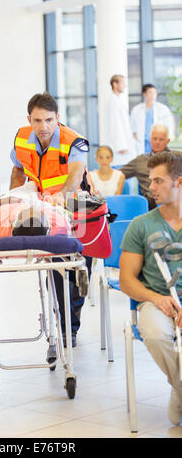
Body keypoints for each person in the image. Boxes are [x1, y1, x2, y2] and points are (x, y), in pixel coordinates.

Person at [9, 92, 93, 347]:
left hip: (78, 206)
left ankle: (71, 322)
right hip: (47, 208)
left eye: (48, 120)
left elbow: (76, 174)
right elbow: (18, 170)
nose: (43, 127)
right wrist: (14, 200)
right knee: (56, 268)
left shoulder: (74, 141)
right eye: (37, 120)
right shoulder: (22, 138)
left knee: (78, 269)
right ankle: (66, 328)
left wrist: (61, 197)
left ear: (58, 118)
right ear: (29, 119)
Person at [119, 150, 182, 426]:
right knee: (155, 334)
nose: (150, 187)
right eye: (150, 180)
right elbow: (127, 280)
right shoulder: (140, 225)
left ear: (179, 183)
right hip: (155, 302)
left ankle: (179, 392)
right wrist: (156, 299)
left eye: (158, 181)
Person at [0, 181, 71, 246]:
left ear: (13, 221)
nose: (30, 207)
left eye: (26, 211)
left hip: (1, 204)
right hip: (29, 197)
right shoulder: (58, 225)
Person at [120, 124, 171, 210]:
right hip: (149, 205)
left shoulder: (175, 159)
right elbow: (117, 174)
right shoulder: (140, 160)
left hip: (172, 203)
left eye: (161, 139)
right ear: (150, 140)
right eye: (155, 139)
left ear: (167, 141)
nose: (157, 142)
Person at [130, 83, 175, 155]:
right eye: (150, 92)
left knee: (157, 162)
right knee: (143, 163)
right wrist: (137, 140)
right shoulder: (136, 110)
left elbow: (169, 126)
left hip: (158, 142)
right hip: (142, 144)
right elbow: (132, 128)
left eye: (155, 92)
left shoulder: (163, 109)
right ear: (144, 94)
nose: (153, 95)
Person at [103, 75, 136, 166]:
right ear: (115, 84)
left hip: (122, 148)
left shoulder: (117, 101)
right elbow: (115, 125)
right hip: (119, 150)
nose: (125, 85)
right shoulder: (113, 102)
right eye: (122, 83)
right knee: (121, 176)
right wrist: (120, 146)